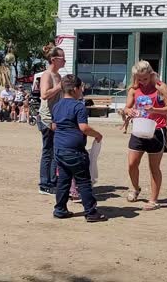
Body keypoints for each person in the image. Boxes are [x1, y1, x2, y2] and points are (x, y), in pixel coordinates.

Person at [51, 75, 105, 222]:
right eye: (81, 88)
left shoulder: (57, 105)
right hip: (75, 151)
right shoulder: (78, 106)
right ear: (75, 89)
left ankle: (60, 209)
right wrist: (97, 135)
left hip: (59, 149)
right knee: (83, 181)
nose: (82, 90)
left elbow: (53, 126)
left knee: (63, 180)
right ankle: (91, 212)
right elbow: (84, 127)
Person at [124, 60, 167, 211]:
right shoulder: (134, 89)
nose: (143, 82)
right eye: (140, 79)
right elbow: (127, 107)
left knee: (154, 167)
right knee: (132, 164)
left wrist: (154, 110)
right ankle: (135, 188)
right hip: (138, 129)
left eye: (145, 78)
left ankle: (154, 200)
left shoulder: (160, 87)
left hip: (157, 130)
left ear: (151, 74)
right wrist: (128, 111)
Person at [38, 44, 65, 195]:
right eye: (63, 59)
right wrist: (59, 87)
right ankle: (44, 183)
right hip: (47, 118)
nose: (65, 62)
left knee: (56, 151)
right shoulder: (46, 75)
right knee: (48, 151)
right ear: (54, 60)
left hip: (56, 118)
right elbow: (44, 94)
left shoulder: (58, 76)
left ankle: (53, 181)